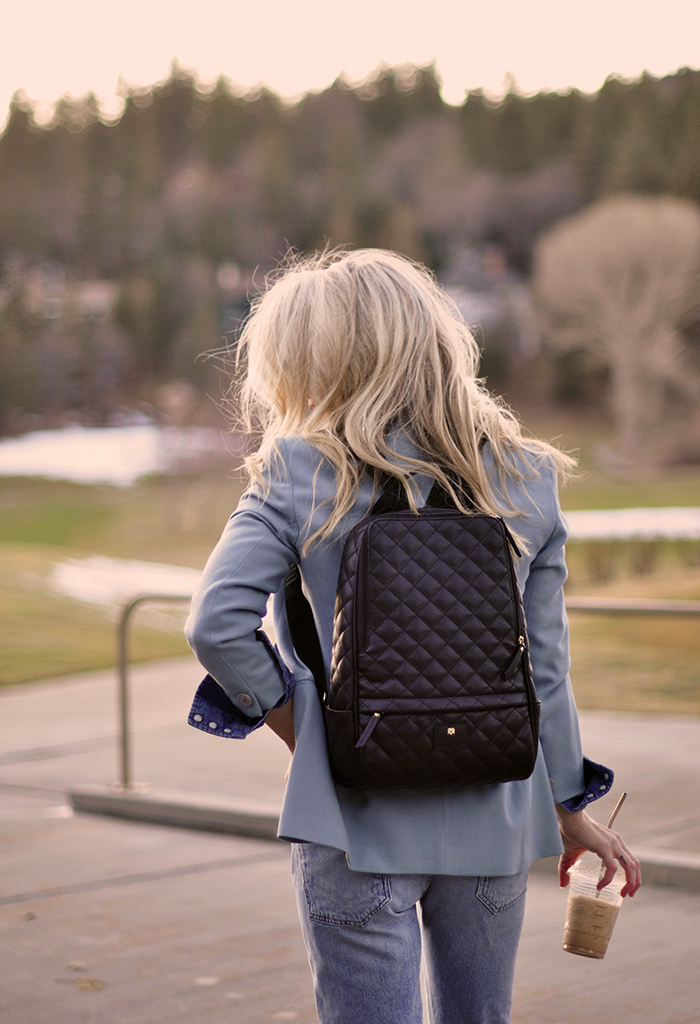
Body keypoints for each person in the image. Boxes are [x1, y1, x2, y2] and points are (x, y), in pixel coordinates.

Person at [185, 248, 641, 1024]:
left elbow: (217, 623)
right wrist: (568, 808)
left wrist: (310, 734)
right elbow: (546, 674)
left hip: (354, 820)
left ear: (319, 361)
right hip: (495, 815)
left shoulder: (299, 472)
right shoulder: (524, 476)